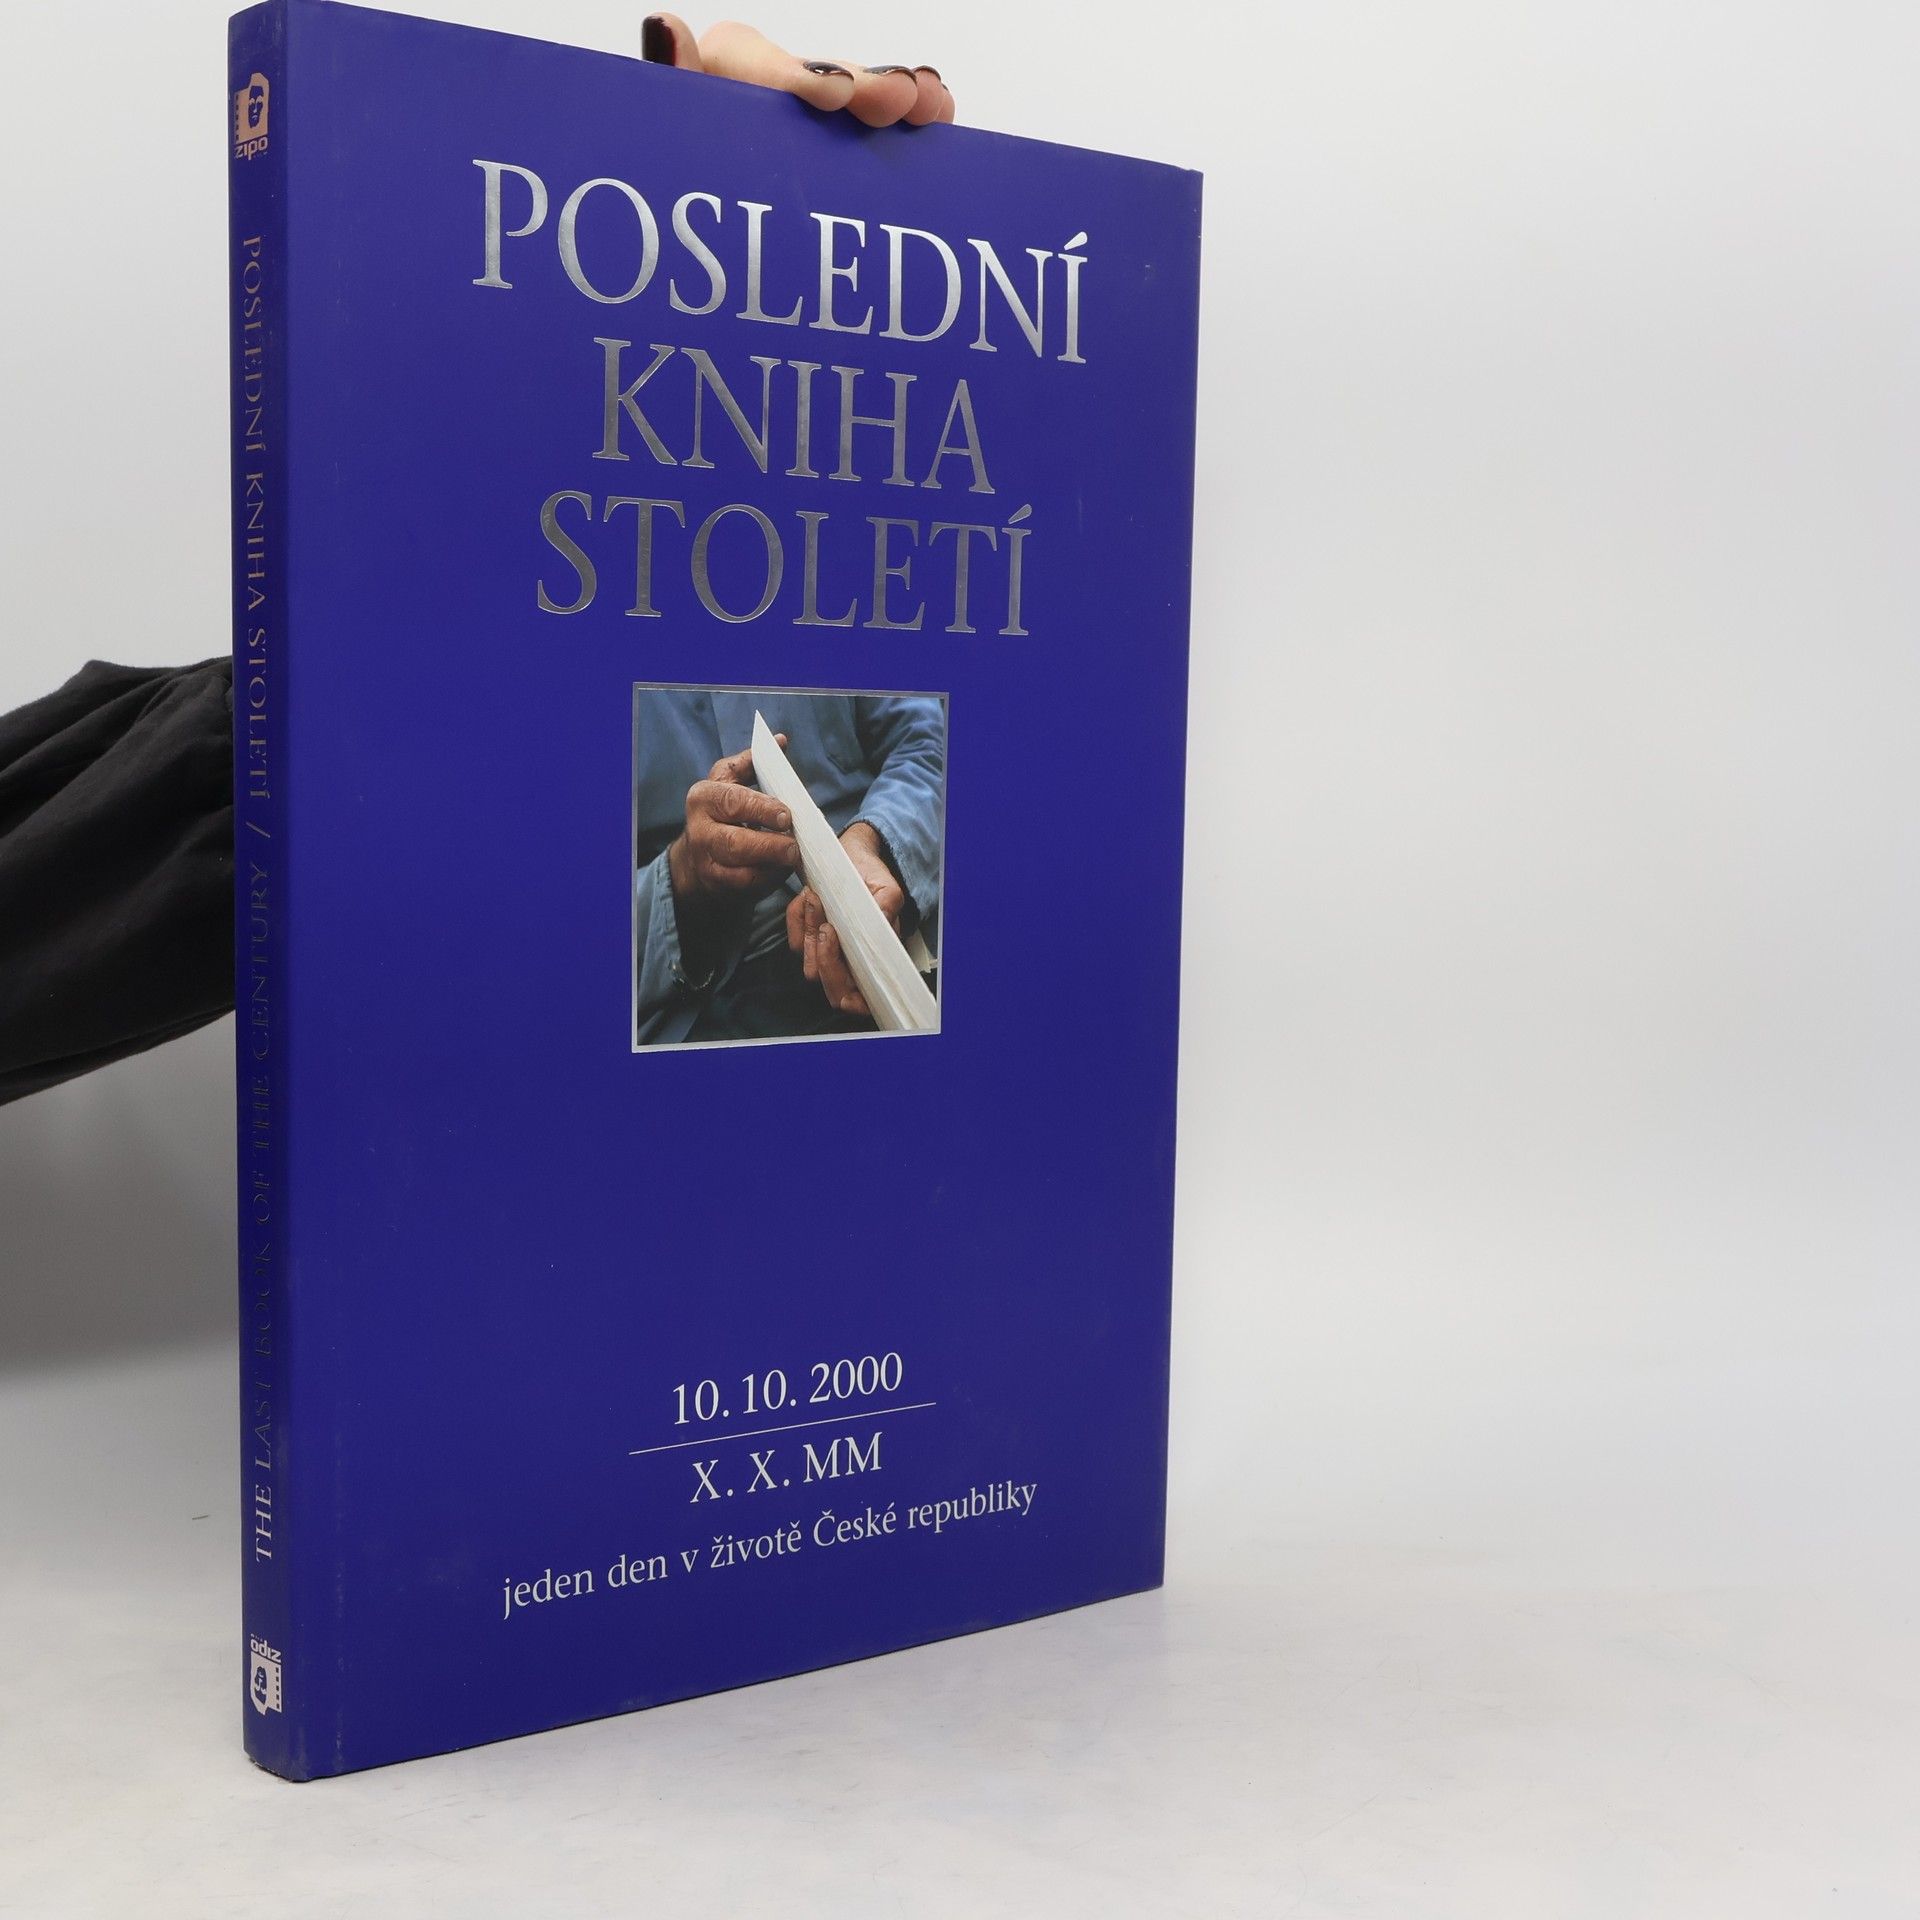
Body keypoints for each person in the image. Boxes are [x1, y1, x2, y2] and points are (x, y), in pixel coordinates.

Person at [0, 19, 954, 1107]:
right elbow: (498, 920)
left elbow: (924, 728)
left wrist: (881, 841)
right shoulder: (291, 780)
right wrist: (682, 886)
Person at [633, 691, 944, 1046]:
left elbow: (928, 745)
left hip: (895, 916)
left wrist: (872, 840)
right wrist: (684, 874)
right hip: (707, 998)